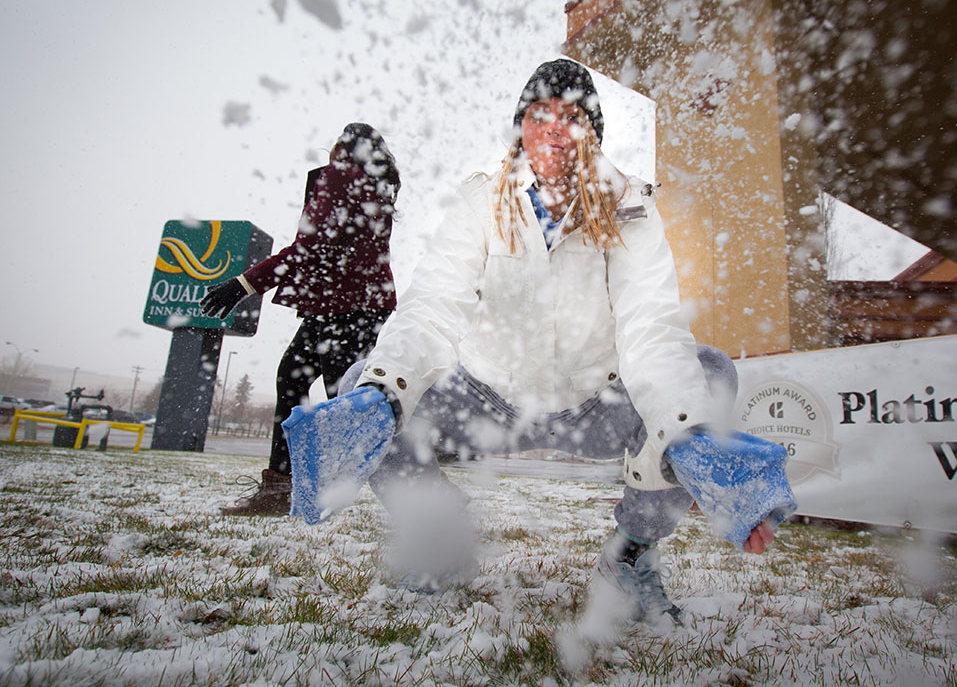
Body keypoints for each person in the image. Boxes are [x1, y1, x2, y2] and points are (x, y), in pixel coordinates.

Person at [313, 60, 788, 623]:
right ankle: (441, 540)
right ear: (521, 127)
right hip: (485, 399)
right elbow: (435, 304)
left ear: (594, 132)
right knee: (366, 385)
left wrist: (692, 431)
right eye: (540, 116)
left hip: (595, 404)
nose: (556, 130)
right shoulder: (481, 201)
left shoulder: (629, 207)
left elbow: (650, 325)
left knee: (707, 376)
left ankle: (631, 554)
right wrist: (383, 389)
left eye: (573, 117)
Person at [201, 123, 399, 516]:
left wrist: (243, 284)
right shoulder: (377, 187)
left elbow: (308, 248)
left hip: (343, 307)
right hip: (348, 305)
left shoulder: (340, 179)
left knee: (348, 403)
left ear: (342, 149)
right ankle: (279, 488)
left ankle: (411, 490)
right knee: (301, 383)